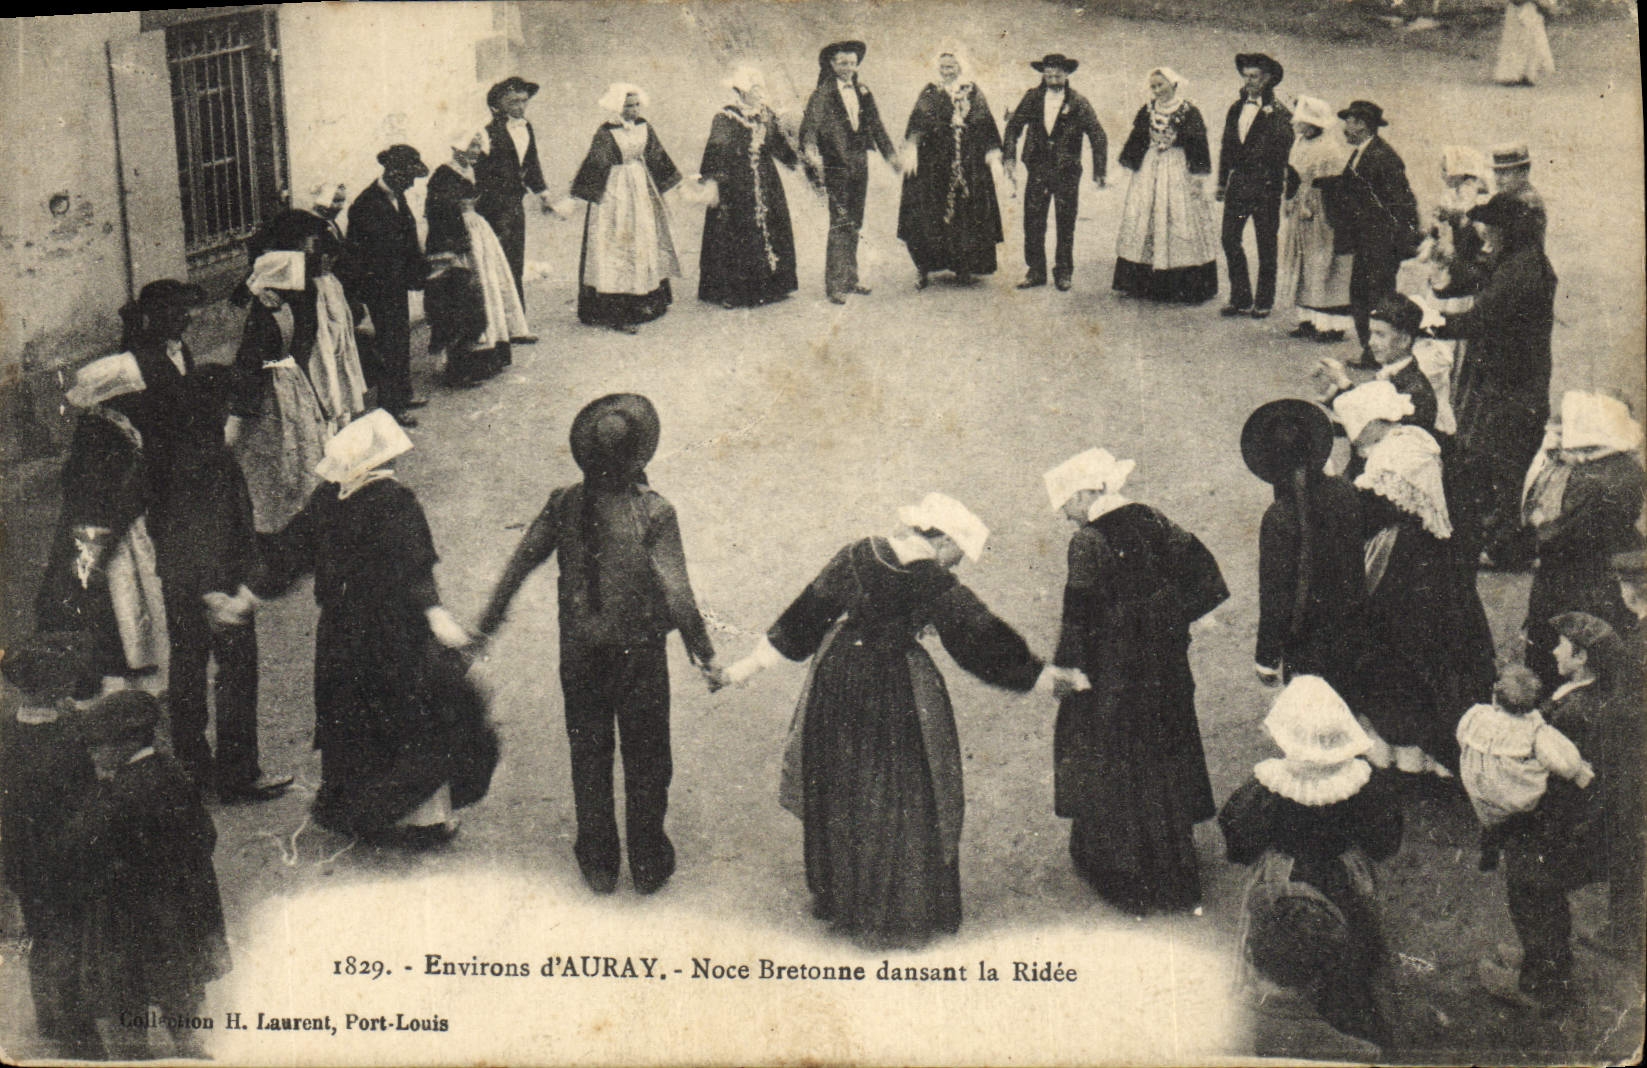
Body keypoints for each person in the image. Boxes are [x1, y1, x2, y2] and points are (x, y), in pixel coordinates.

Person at [722, 493, 1085, 947]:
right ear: (943, 539)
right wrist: (1043, 677)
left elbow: (804, 615)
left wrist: (742, 669)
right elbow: (981, 638)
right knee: (902, 794)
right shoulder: (932, 581)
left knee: (843, 787)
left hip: (836, 677)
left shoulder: (858, 553)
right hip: (892, 689)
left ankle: (842, 898)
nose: (956, 565)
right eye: (957, 553)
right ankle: (892, 914)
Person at [476, 395, 720, 895]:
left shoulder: (564, 503)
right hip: (639, 653)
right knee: (648, 756)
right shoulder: (653, 512)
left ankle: (599, 861)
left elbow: (520, 564)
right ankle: (648, 861)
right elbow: (677, 591)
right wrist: (704, 653)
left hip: (579, 651)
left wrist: (487, 624)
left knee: (588, 752)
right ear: (641, 457)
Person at [236, 410, 499, 846]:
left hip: (341, 636)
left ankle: (364, 815)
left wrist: (248, 597)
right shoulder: (396, 503)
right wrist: (438, 618)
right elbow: (415, 569)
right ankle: (423, 821)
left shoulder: (326, 498)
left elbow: (287, 554)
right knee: (408, 722)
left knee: (352, 722)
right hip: (394, 635)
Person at [1043, 448, 1228, 915]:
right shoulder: (1153, 518)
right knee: (1165, 753)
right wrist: (1168, 621)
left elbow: (1078, 616)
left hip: (1114, 674)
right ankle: (1173, 866)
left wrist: (1067, 672)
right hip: (1164, 668)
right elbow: (1207, 578)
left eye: (1066, 503)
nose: (1064, 515)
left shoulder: (1088, 542)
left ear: (1088, 493)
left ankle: (1127, 872)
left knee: (1114, 760)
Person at [1219, 675, 1401, 1049]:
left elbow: (1237, 842)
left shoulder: (1269, 786)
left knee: (1280, 955)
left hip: (1282, 878)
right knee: (1352, 951)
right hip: (1341, 876)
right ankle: (1351, 1029)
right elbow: (1385, 843)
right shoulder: (1361, 783)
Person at [58, 689, 229, 1059]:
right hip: (181, 913)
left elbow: (81, 845)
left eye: (98, 745)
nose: (93, 753)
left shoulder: (118, 793)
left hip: (130, 920)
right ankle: (192, 1054)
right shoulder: (172, 771)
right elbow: (206, 836)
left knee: (126, 1008)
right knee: (180, 1001)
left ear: (127, 741)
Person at [151, 367, 292, 801]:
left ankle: (192, 767)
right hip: (217, 586)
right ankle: (237, 773)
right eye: (226, 403)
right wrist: (217, 592)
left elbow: (164, 525)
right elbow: (210, 529)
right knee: (235, 675)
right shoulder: (209, 457)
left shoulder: (168, 449)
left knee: (187, 669)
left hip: (179, 581)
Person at [1479, 612, 1630, 1008]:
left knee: (1533, 896)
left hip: (1552, 828)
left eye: (1562, 645)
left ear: (1580, 658)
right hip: (1573, 825)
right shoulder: (1588, 697)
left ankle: (1542, 985)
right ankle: (1546, 959)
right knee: (1544, 899)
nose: (1553, 650)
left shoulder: (1572, 712)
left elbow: (1551, 773)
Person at [1348, 420, 1496, 775]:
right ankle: (1428, 754)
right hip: (1437, 589)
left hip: (1403, 596)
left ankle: (1404, 753)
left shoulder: (1392, 523)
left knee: (1397, 664)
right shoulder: (1434, 522)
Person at [33, 352, 169, 695]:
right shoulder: (99, 436)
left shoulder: (119, 426)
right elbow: (91, 496)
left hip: (124, 523)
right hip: (107, 528)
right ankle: (118, 675)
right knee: (114, 596)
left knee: (133, 596)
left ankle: (138, 667)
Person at [1439, 192, 1557, 570]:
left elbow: (1481, 317)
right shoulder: (1519, 260)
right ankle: (1507, 543)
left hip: (1515, 383)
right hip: (1515, 378)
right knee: (1502, 461)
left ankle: (1508, 547)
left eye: (1490, 227)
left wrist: (1428, 324)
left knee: (1504, 464)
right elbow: (1480, 278)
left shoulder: (1521, 270)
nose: (1484, 233)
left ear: (1506, 230)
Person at [0, 634, 99, 1058]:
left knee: (42, 934)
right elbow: (89, 799)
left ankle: (49, 1016)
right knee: (71, 940)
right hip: (66, 855)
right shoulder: (70, 738)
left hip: (21, 857)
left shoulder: (6, 731)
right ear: (58, 688)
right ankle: (78, 1033)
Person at [1241, 399, 1371, 701]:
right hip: (1350, 631)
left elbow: (1276, 594)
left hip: (1307, 643)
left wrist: (1267, 655)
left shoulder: (1279, 516)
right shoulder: (1345, 491)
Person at [1520, 391, 1646, 688]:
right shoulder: (1628, 467)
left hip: (1573, 575)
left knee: (1564, 644)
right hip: (1610, 563)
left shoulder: (1587, 478)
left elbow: (1554, 534)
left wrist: (1536, 528)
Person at [226, 241, 331, 540]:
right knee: (273, 461)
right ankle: (275, 530)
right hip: (269, 391)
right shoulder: (262, 316)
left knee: (296, 456)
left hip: (287, 383)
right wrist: (239, 413)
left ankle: (295, 525)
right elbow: (248, 365)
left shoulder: (282, 305)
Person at [569, 83, 687, 334]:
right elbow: (596, 164)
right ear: (616, 106)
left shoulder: (644, 127)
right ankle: (616, 309)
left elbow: (657, 156)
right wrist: (579, 197)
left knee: (642, 240)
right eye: (627, 105)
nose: (633, 110)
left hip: (639, 188)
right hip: (614, 192)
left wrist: (675, 186)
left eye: (635, 105)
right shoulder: (606, 133)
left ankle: (644, 301)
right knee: (615, 244)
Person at [1457, 663, 1591, 872]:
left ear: (1494, 694)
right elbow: (1564, 762)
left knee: (1491, 817)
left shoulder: (1477, 716)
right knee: (1523, 821)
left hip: (1482, 792)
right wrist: (1578, 771)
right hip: (1514, 799)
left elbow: (1461, 735)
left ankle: (1489, 849)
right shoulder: (1534, 730)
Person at [1317, 101, 1419, 365]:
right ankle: (1372, 350)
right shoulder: (1364, 152)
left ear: (1361, 124)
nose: (1345, 127)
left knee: (1374, 296)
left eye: (1349, 121)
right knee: (1362, 295)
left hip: (1381, 243)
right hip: (1368, 241)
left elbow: (1399, 203)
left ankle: (1379, 353)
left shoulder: (1383, 157)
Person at [425, 128, 529, 386]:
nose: (475, 152)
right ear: (457, 147)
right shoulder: (444, 175)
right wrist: (453, 247)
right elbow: (437, 213)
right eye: (471, 146)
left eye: (477, 147)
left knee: (488, 290)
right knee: (465, 298)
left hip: (479, 234)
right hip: (459, 239)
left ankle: (490, 354)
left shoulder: (473, 170)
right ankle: (462, 366)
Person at [800, 40, 900, 304]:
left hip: (859, 164)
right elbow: (810, 126)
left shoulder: (863, 91)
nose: (848, 68)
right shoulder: (822, 94)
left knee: (855, 221)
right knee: (840, 222)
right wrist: (811, 150)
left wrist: (891, 156)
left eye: (852, 63)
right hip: (835, 166)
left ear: (858, 65)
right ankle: (835, 285)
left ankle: (850, 279)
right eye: (842, 63)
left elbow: (876, 125)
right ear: (832, 65)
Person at [896, 47, 1005, 289]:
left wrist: (992, 154)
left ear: (960, 67)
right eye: (943, 67)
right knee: (927, 214)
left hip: (968, 163)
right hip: (933, 166)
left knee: (965, 215)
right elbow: (917, 121)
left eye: (951, 67)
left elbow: (985, 122)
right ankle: (923, 267)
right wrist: (912, 146)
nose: (947, 71)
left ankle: (963, 267)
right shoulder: (930, 92)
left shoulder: (972, 91)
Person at [1111, 67, 1219, 304]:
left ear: (1173, 85)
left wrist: (1196, 172)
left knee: (1180, 217)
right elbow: (1137, 138)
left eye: (1161, 85)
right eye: (1153, 86)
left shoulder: (1189, 111)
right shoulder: (1148, 109)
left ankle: (1184, 285)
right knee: (1143, 216)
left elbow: (1198, 142)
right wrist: (1126, 166)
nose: (1157, 90)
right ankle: (1141, 282)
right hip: (1150, 169)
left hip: (1177, 168)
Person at [1001, 53, 1107, 291]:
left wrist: (1099, 170)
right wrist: (1009, 156)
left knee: (1065, 221)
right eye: (1048, 73)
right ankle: (1035, 271)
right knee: (1033, 220)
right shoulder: (1032, 98)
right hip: (1037, 168)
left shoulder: (1078, 102)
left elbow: (1098, 135)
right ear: (1043, 74)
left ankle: (1064, 272)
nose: (1053, 77)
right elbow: (1013, 127)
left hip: (1066, 171)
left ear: (1067, 74)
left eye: (1058, 73)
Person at [698, 66, 801, 308]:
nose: (759, 93)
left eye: (760, 89)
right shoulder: (725, 117)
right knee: (737, 229)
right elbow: (716, 148)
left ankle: (772, 286)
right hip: (735, 183)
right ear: (741, 91)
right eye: (754, 89)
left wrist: (793, 158)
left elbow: (776, 142)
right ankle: (731, 291)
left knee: (770, 224)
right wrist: (712, 180)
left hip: (766, 180)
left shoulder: (764, 113)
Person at [347, 144, 428, 426]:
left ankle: (403, 393)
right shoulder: (365, 205)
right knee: (389, 344)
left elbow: (408, 236)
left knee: (400, 337)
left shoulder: (398, 197)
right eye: (407, 178)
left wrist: (416, 272)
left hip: (395, 282)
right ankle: (391, 407)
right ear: (393, 173)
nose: (410, 184)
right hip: (378, 285)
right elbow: (370, 253)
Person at [1217, 53, 1294, 319]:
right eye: (1246, 76)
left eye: (1254, 77)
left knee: (1266, 245)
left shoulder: (1281, 114)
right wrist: (1221, 181)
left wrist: (1282, 190)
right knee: (1229, 239)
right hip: (1237, 185)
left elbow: (1286, 155)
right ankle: (1240, 297)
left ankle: (1264, 300)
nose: (1249, 81)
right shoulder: (1236, 108)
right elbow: (1227, 147)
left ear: (1268, 79)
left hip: (1265, 188)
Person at [1314, 294, 1440, 455]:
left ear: (1404, 340)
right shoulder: (1388, 374)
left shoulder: (1415, 391)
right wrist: (1331, 394)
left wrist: (1342, 384)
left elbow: (1367, 434)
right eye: (1371, 333)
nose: (1371, 342)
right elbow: (1350, 425)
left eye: (1380, 334)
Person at [477, 75, 554, 310]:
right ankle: (496, 322)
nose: (520, 107)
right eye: (513, 102)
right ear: (498, 104)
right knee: (497, 260)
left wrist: (543, 193)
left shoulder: (526, 127)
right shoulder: (487, 133)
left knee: (515, 260)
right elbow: (476, 170)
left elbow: (530, 162)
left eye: (523, 101)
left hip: (514, 203)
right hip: (492, 205)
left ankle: (516, 321)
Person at [1279, 96, 1353, 342]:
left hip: (1322, 211)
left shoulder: (1329, 149)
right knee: (1304, 262)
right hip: (1302, 210)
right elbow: (1292, 175)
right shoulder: (1299, 143)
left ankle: (1330, 325)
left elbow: (1335, 187)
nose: (1295, 124)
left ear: (1313, 124)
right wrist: (1290, 200)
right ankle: (1307, 318)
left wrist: (1323, 213)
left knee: (1324, 263)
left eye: (1300, 121)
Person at [1488, 142, 1547, 247]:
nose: (1499, 178)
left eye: (1505, 172)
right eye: (1496, 172)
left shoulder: (1528, 201)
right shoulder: (1507, 197)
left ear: (1523, 173)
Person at [1494, 0, 1557, 87]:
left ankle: (1528, 74)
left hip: (1531, 9)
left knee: (1531, 40)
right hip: (1516, 9)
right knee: (1515, 39)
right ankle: (1511, 74)